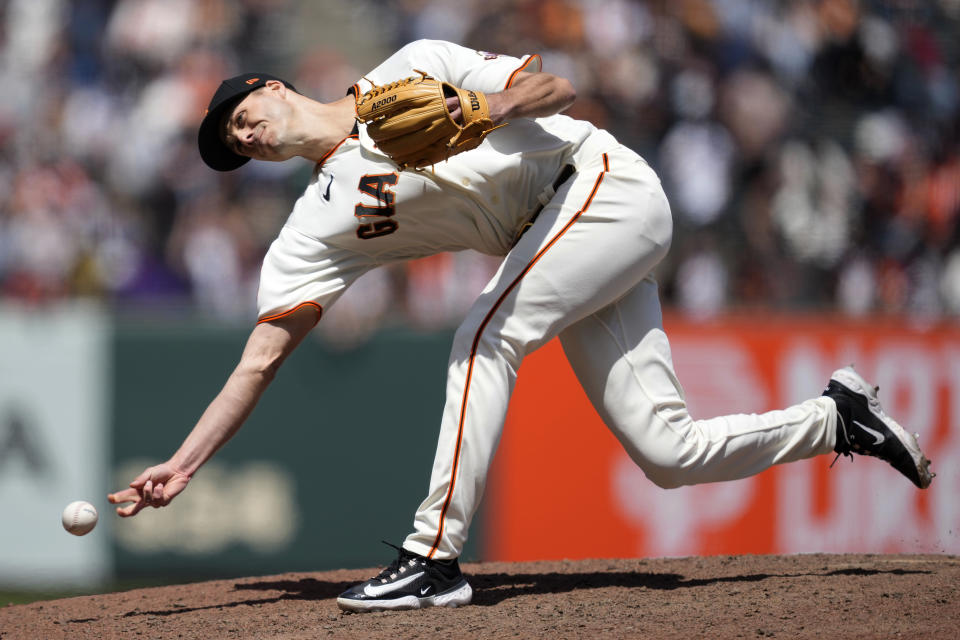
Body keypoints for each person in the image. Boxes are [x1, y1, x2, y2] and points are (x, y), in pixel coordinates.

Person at [108, 39, 935, 613]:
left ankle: (432, 558)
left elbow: (559, 91)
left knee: (480, 334)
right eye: (232, 144)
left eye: (240, 117)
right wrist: (182, 464)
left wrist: (485, 105)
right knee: (668, 454)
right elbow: (259, 361)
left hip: (600, 184)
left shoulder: (411, 67)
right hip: (560, 244)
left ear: (272, 87)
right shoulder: (311, 229)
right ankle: (836, 418)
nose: (243, 137)